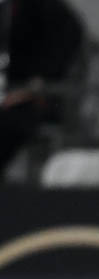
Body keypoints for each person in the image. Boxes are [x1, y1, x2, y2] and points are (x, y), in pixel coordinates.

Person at [0, 0, 84, 176]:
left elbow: (69, 38)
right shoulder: (6, 11)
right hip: (10, 93)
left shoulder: (48, 9)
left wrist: (41, 80)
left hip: (37, 98)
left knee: (8, 124)